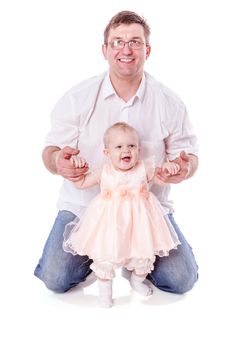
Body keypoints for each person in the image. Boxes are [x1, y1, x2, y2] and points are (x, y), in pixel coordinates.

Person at [34, 10, 199, 296]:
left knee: (181, 280)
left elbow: (190, 157)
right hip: (86, 211)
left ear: (147, 50)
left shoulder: (168, 102)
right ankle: (100, 259)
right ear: (105, 50)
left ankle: (134, 263)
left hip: (146, 214)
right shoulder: (79, 98)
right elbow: (50, 152)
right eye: (117, 42)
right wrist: (58, 162)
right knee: (55, 278)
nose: (126, 49)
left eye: (135, 42)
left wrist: (185, 168)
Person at [63, 122, 181, 307]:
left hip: (140, 224)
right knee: (105, 255)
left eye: (132, 146)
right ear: (107, 153)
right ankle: (105, 291)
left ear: (139, 150)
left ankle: (136, 280)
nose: (126, 150)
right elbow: (81, 182)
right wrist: (74, 166)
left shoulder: (144, 168)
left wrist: (169, 168)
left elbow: (161, 178)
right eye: (118, 146)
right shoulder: (105, 171)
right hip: (109, 224)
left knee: (144, 255)